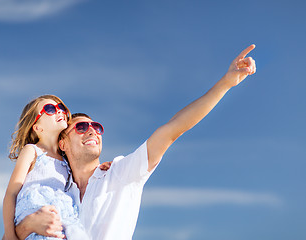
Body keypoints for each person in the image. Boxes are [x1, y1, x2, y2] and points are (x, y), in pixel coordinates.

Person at [15, 44, 257, 240]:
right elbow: (15, 230)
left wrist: (226, 83)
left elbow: (173, 129)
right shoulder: (56, 188)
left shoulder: (121, 172)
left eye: (96, 127)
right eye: (81, 127)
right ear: (62, 144)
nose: (92, 131)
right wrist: (28, 225)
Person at [3, 95, 93, 240]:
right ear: (37, 127)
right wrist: (10, 235)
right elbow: (11, 193)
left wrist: (102, 167)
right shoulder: (32, 151)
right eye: (50, 109)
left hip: (61, 220)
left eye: (61, 108)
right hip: (35, 213)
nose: (59, 111)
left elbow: (84, 171)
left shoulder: (66, 160)